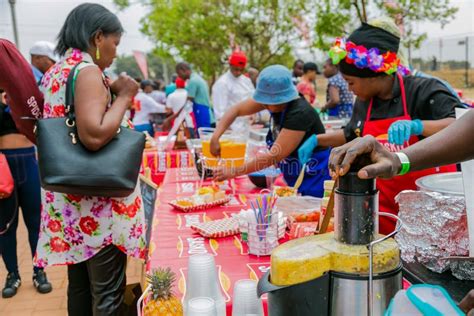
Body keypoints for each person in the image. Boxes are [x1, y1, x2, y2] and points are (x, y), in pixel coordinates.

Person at [34, 4, 147, 315]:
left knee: (81, 288)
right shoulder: (86, 72)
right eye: (115, 43)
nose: (114, 52)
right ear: (98, 37)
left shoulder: (58, 71)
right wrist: (124, 96)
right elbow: (94, 135)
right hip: (99, 208)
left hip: (71, 201)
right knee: (108, 295)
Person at [298, 23, 463, 234]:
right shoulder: (365, 101)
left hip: (431, 215)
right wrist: (317, 140)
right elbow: (351, 133)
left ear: (375, 75)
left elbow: (461, 124)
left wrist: (418, 126)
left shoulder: (423, 90)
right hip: (383, 211)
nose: (350, 89)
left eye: (351, 82)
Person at [212, 65, 330, 197]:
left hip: (314, 176)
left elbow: (274, 155)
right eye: (264, 102)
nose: (265, 106)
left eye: (268, 102)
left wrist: (233, 171)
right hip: (295, 175)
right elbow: (235, 110)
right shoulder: (272, 104)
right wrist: (215, 137)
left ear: (284, 98)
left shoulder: (300, 113)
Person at [0, 94, 52, 298]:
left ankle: (39, 272)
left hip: (29, 161)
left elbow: (39, 120)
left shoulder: (23, 90)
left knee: (35, 223)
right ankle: (12, 274)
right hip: (3, 166)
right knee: (5, 225)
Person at [212, 51, 255, 134]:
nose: (238, 72)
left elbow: (252, 98)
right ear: (230, 65)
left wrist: (253, 114)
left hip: (245, 126)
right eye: (236, 69)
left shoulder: (246, 81)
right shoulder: (222, 83)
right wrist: (226, 129)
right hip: (229, 128)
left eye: (241, 70)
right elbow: (220, 111)